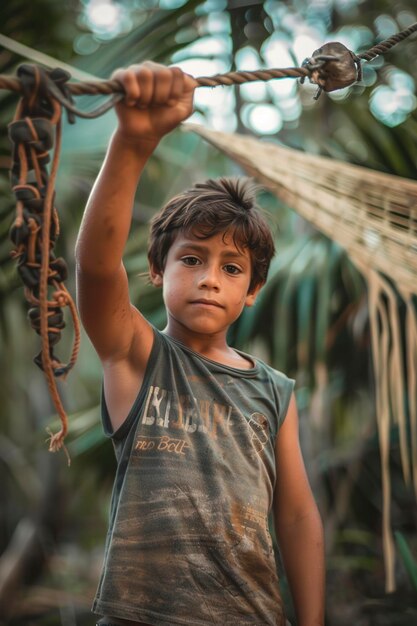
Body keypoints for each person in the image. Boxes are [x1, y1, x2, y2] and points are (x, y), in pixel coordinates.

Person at [75, 61, 325, 626]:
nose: (210, 278)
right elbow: (94, 267)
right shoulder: (139, 355)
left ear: (253, 291)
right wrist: (134, 143)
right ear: (159, 272)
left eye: (231, 268)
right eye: (192, 259)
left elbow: (298, 516)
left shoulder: (274, 389)